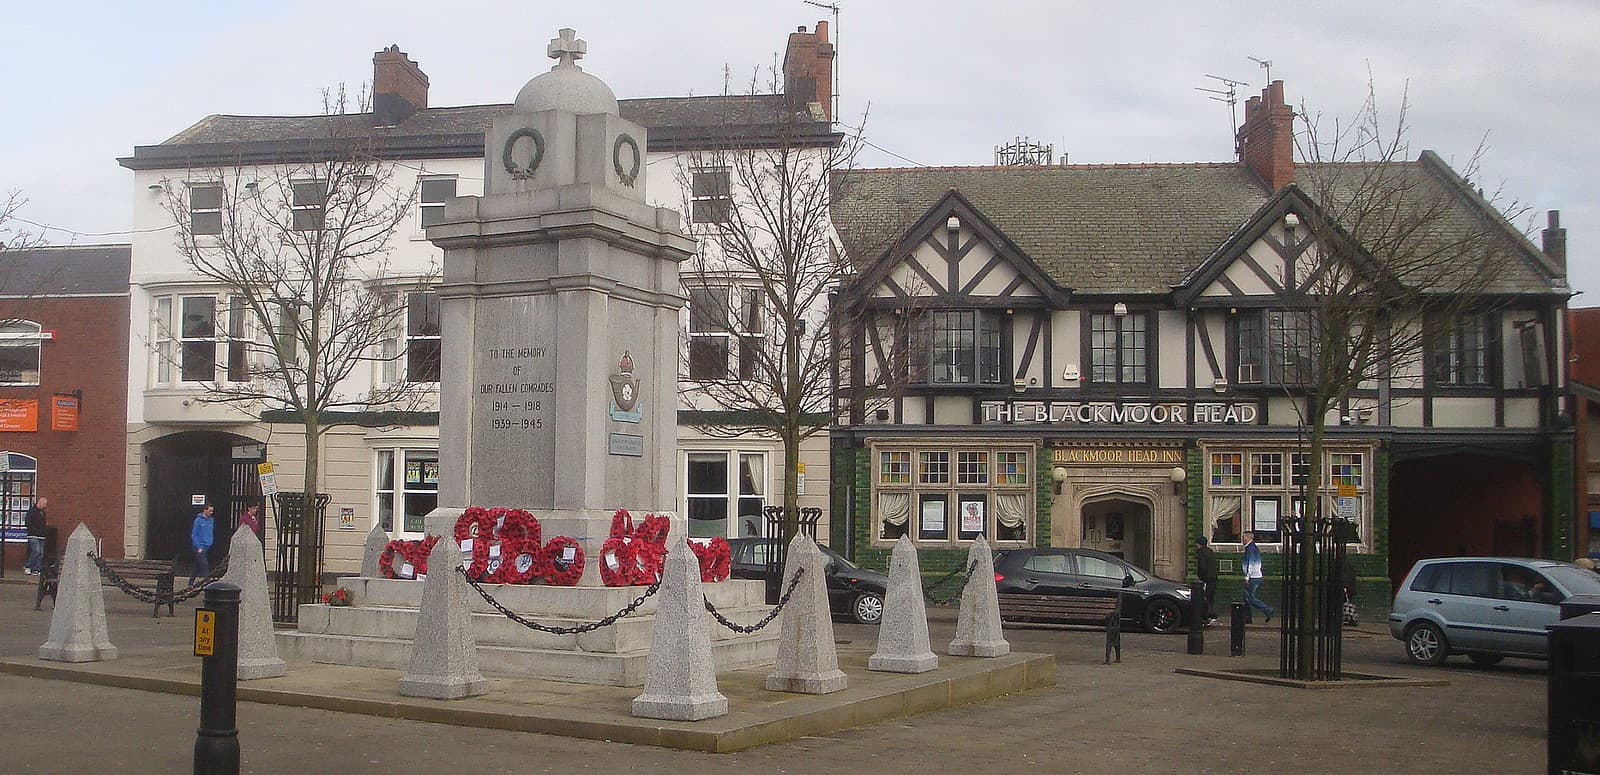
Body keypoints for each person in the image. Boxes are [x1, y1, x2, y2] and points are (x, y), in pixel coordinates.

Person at [1241, 531, 1273, 624]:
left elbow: (1251, 563)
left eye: (1244, 537)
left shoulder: (1250, 548)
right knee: (1246, 598)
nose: (1242, 539)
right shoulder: (1252, 547)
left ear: (1248, 538)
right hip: (1256, 575)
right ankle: (1247, 618)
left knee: (1249, 598)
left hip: (1253, 577)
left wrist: (1247, 576)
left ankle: (1267, 609)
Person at [189, 504, 215, 586]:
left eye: (212, 511)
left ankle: (190, 582)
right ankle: (207, 582)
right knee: (204, 564)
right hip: (199, 546)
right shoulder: (198, 520)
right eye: (210, 510)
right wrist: (198, 546)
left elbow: (210, 532)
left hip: (207, 545)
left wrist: (210, 541)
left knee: (197, 565)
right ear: (205, 510)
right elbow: (194, 534)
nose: (211, 512)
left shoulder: (211, 520)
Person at [1195, 535, 1219, 625]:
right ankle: (1210, 615)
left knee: (1205, 598)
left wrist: (1201, 577)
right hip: (1213, 578)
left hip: (1206, 579)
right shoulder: (1210, 552)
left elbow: (1202, 567)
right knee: (1210, 598)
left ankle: (1208, 616)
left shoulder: (1201, 553)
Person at [23, 496, 48, 575]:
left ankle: (36, 569)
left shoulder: (43, 513)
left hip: (41, 536)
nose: (45, 506)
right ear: (39, 503)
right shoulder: (31, 512)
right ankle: (28, 566)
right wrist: (35, 531)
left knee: (41, 553)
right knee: (36, 551)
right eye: (44, 504)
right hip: (33, 535)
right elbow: (28, 523)